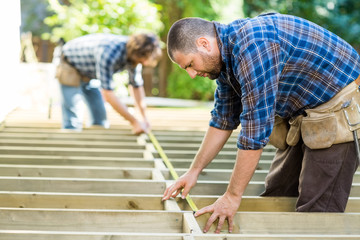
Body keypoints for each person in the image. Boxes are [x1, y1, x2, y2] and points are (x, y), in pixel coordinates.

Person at [162, 13, 360, 233]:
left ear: (204, 43)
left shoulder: (254, 46)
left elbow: (254, 131)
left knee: (317, 214)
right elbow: (222, 120)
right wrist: (193, 171)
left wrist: (232, 196)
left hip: (338, 106)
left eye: (190, 64)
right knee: (278, 193)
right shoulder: (224, 62)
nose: (191, 74)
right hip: (302, 111)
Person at [55, 33, 162, 134]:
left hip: (89, 72)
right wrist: (134, 122)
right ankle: (71, 134)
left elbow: (136, 87)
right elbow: (108, 95)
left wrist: (144, 118)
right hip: (69, 63)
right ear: (137, 53)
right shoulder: (109, 54)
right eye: (143, 59)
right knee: (73, 121)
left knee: (100, 119)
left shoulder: (135, 58)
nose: (144, 63)